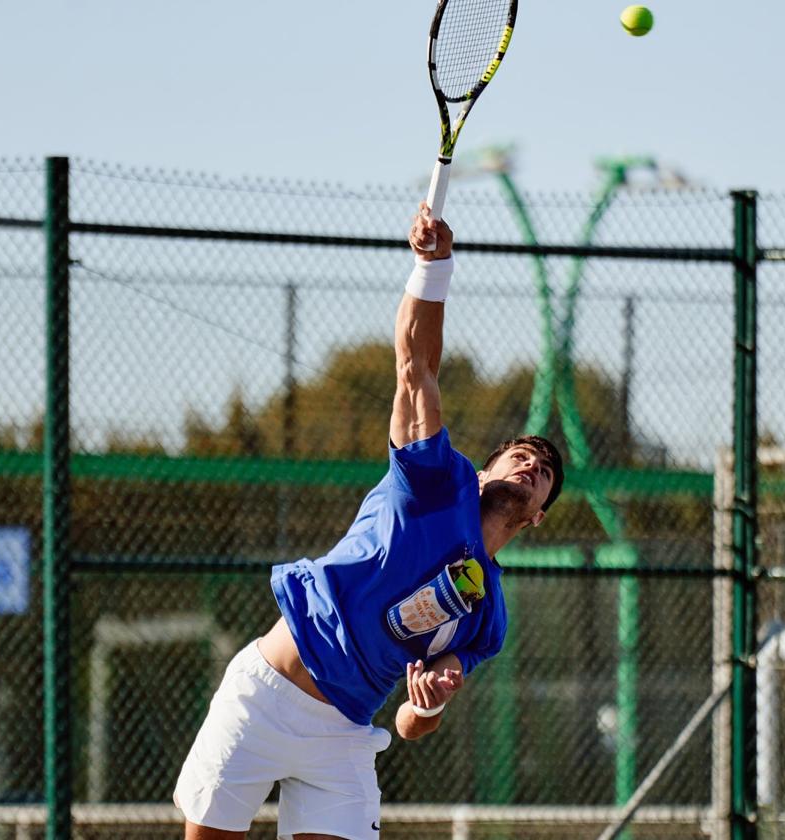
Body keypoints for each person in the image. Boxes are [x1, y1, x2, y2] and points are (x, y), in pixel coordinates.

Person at [173, 205, 565, 840]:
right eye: (519, 456)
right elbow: (416, 367)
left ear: (539, 515)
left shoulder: (487, 617)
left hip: (346, 734)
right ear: (485, 472)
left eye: (544, 471)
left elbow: (414, 723)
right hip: (268, 695)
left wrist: (428, 704)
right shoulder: (438, 482)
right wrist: (431, 267)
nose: (531, 464)